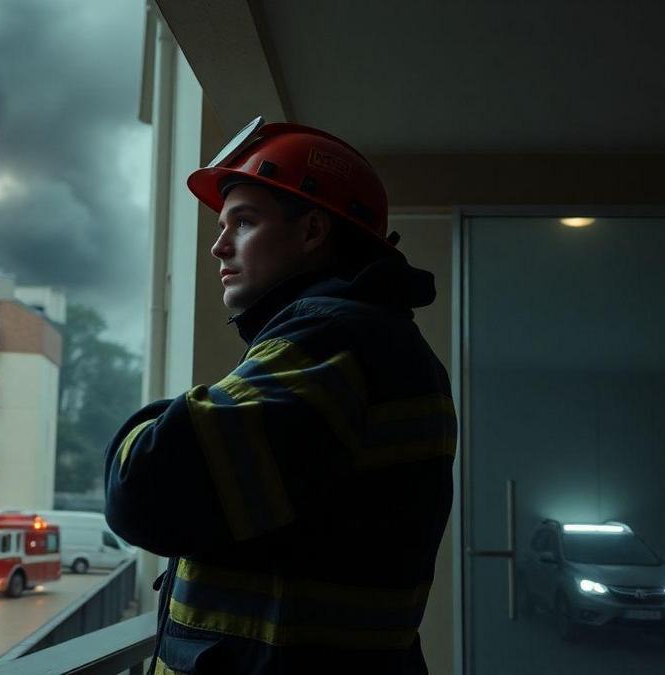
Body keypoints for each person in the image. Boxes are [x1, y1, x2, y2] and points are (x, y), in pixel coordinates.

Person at [104, 118, 456, 674]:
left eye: (243, 222)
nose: (219, 246)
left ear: (313, 232)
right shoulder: (370, 338)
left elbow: (143, 488)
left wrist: (151, 423)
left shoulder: (330, 339)